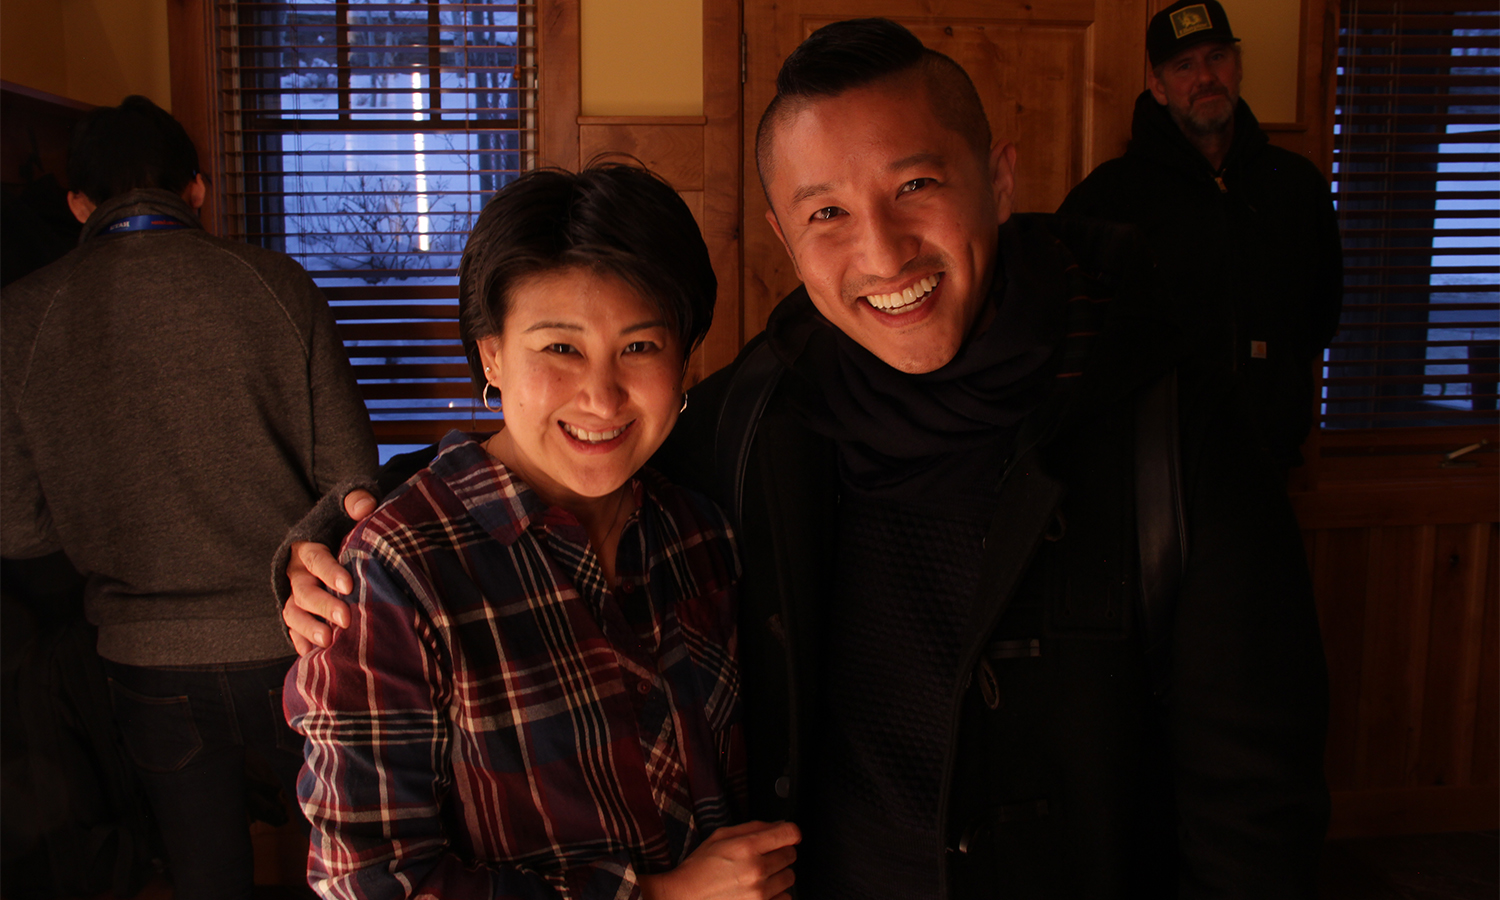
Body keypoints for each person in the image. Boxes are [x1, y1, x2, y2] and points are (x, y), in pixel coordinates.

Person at [282, 20, 1330, 898]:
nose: (881, 251)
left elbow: (1257, 801)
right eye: (828, 211)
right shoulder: (765, 416)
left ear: (999, 179)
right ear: (785, 232)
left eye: (916, 184)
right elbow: (560, 457)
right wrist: (350, 532)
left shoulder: (1164, 422)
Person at [282, 164, 800, 899]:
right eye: (560, 348)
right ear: (492, 354)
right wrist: (660, 895)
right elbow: (369, 880)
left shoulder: (699, 531)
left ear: (685, 359)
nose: (602, 395)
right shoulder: (395, 573)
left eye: (641, 348)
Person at [0, 95, 378, 900]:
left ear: (78, 204)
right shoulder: (277, 283)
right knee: (345, 870)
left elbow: (20, 527)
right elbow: (354, 481)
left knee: (205, 875)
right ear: (196, 189)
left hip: (140, 657)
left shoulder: (19, 318)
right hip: (296, 641)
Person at [1059, 0, 1343, 470]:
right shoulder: (1109, 196)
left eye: (1217, 57)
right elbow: (1068, 324)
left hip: (1268, 460)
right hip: (1149, 467)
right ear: (1159, 86)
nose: (1205, 77)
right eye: (1184, 66)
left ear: (1237, 67)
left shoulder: (1295, 184)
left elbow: (1319, 314)